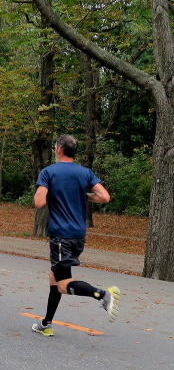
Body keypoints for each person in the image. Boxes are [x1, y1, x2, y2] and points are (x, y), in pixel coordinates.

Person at [31, 134, 119, 337]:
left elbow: (39, 202)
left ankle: (102, 294)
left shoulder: (48, 172)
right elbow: (104, 196)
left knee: (63, 284)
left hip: (60, 236)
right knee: (54, 277)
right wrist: (83, 195)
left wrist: (50, 191)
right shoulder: (85, 172)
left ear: (58, 149)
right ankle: (46, 323)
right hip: (78, 235)